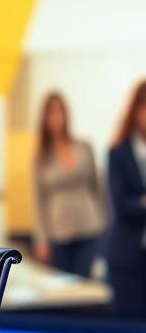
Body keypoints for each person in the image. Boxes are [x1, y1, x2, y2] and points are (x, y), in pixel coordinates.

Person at [31, 91, 106, 277]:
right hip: (58, 230)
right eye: (51, 112)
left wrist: (104, 222)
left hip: (88, 224)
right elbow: (38, 200)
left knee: (84, 282)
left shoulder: (83, 147)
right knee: (63, 284)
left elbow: (97, 187)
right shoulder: (41, 156)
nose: (56, 117)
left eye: (59, 111)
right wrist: (41, 239)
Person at [104, 79, 146, 317]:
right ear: (136, 110)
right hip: (127, 257)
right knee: (130, 325)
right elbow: (122, 204)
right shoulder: (118, 154)